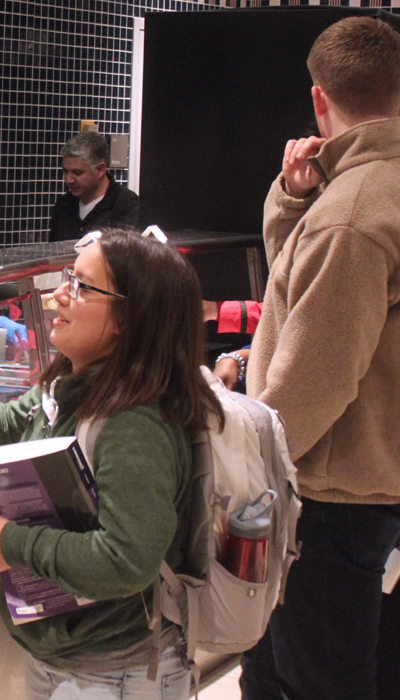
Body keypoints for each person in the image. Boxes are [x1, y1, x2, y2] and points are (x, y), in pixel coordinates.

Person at [0, 228, 221, 700]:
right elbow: (9, 433)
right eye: (68, 277)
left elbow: (126, 561)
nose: (58, 295)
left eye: (82, 286)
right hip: (68, 659)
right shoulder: (71, 382)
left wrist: (14, 543)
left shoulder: (135, 423)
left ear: (130, 316)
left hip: (115, 672)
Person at [239, 17, 400, 700]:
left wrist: (245, 468)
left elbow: (318, 372)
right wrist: (293, 202)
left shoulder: (354, 212)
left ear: (318, 99)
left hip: (330, 500)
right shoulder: (361, 195)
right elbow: (310, 297)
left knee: (313, 681)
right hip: (367, 485)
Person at [47, 132, 139, 242]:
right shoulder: (64, 205)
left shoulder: (126, 205)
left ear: (100, 170)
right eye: (66, 172)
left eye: (77, 172)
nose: (68, 180)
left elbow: (126, 255)